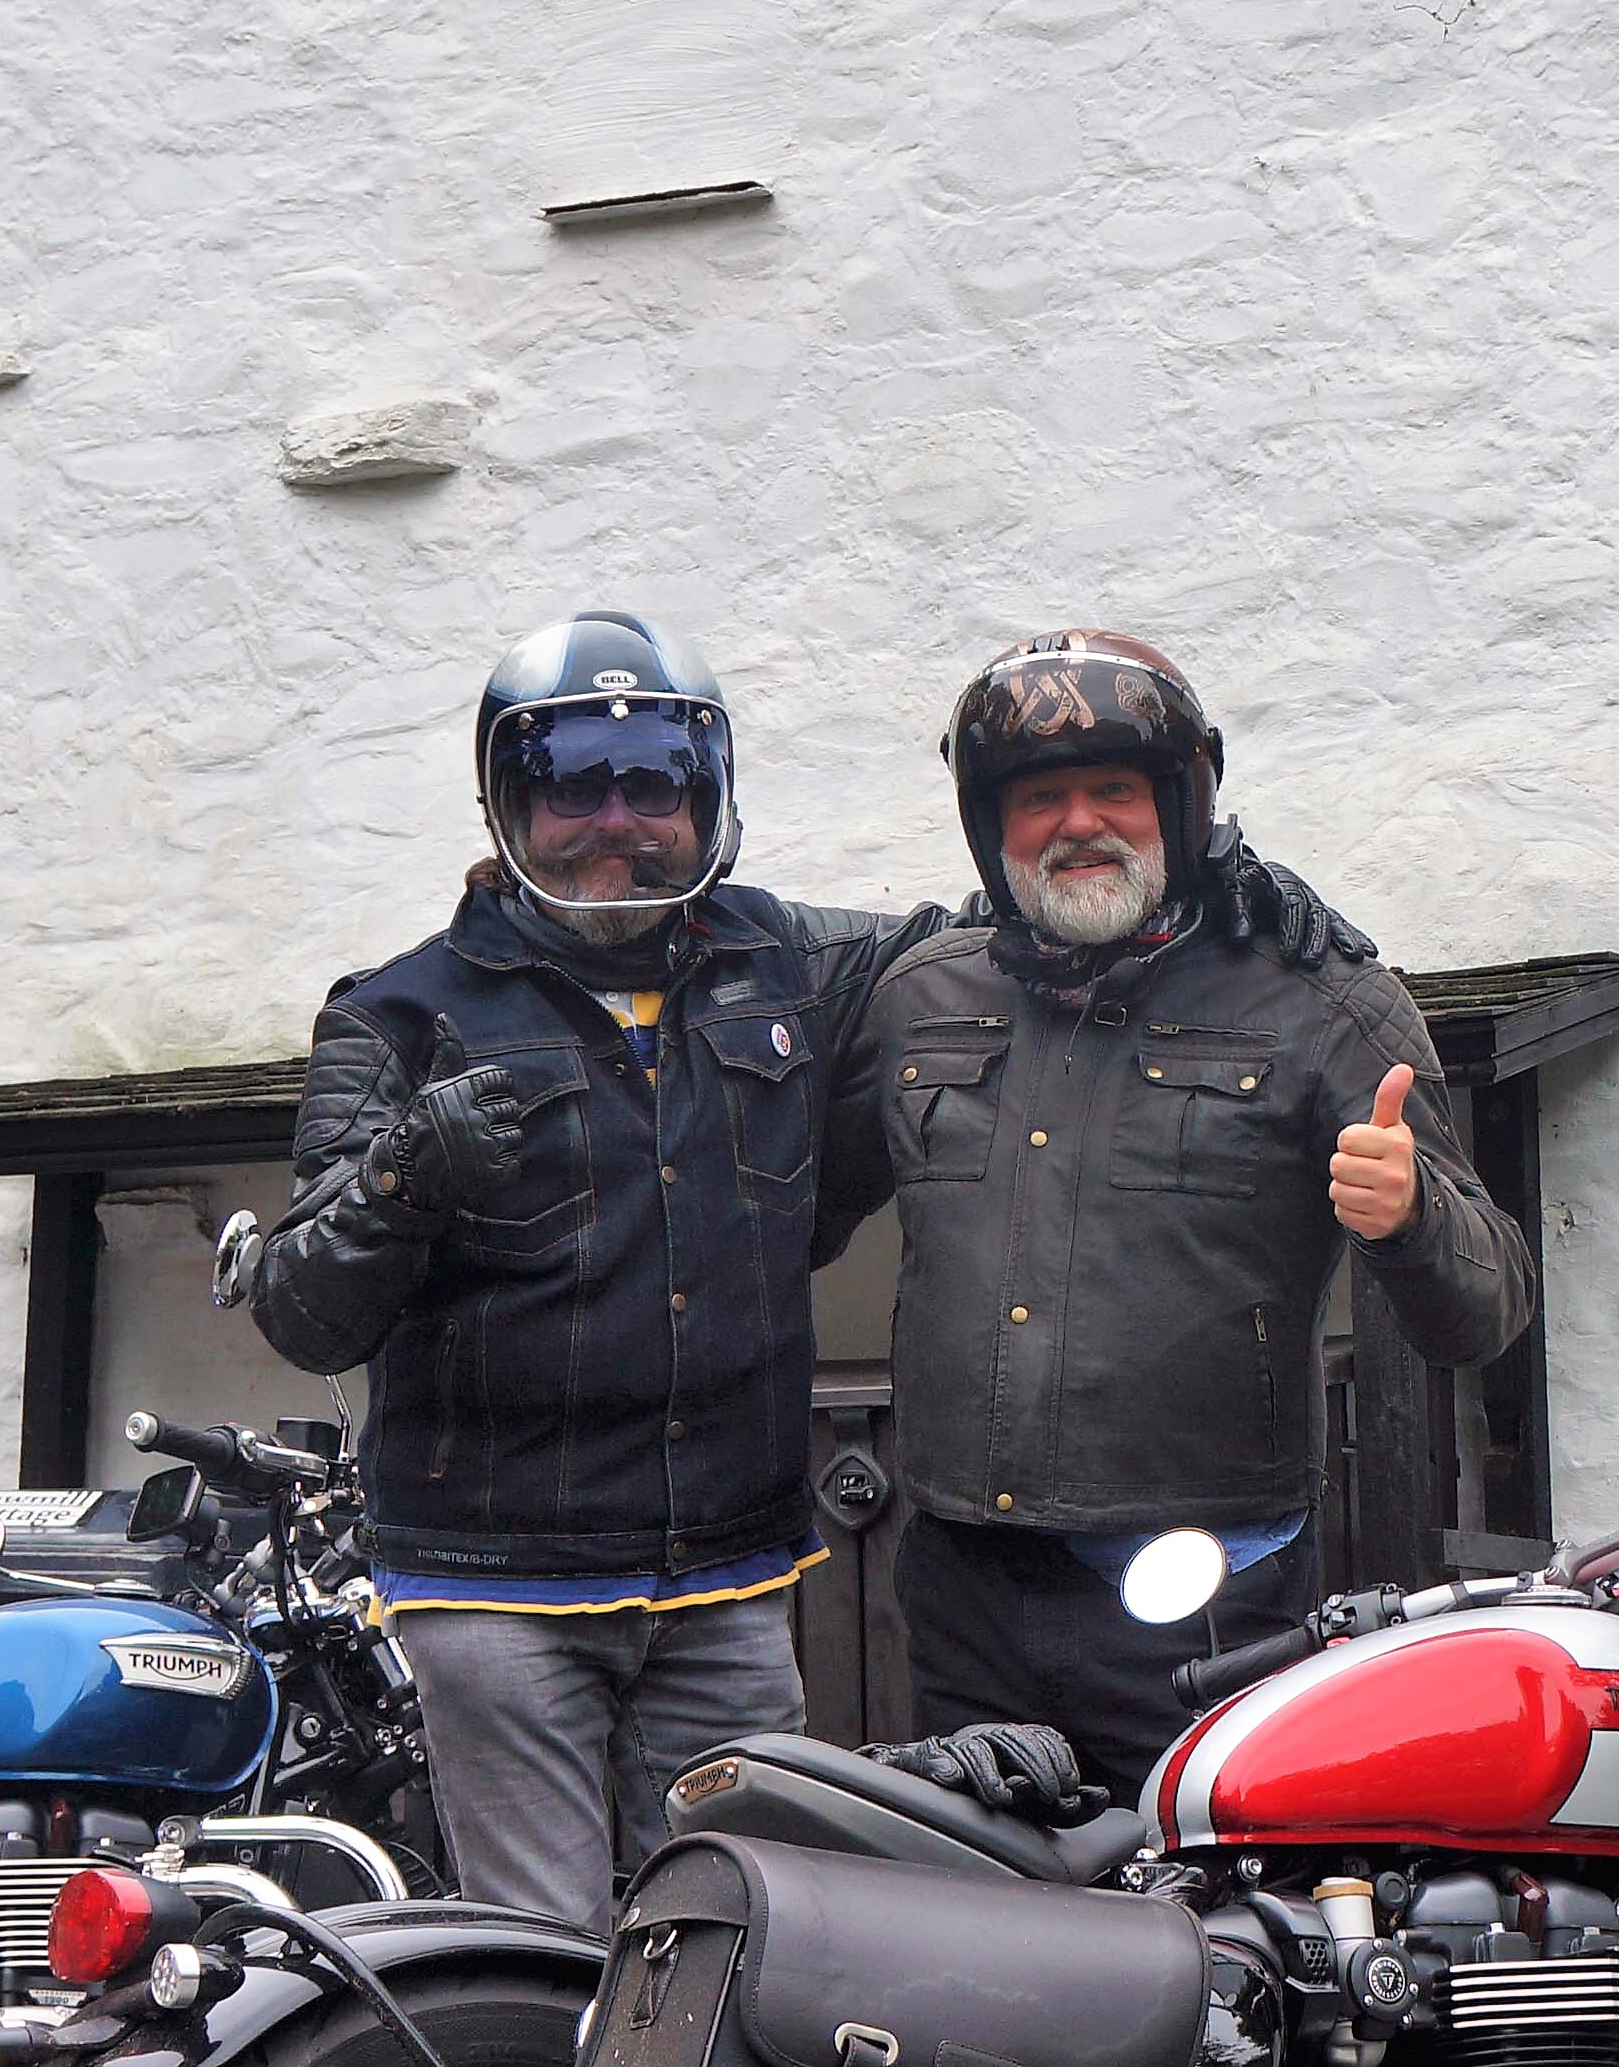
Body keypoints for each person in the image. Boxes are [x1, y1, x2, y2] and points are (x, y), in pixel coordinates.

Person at [248, 614, 1363, 1924]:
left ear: (708, 794)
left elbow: (1016, 917)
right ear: (509, 801)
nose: (618, 819)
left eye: (654, 784)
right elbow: (301, 1308)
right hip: (500, 1593)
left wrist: (1223, 885)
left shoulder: (791, 962)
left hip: (727, 1584)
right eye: (575, 787)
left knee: (739, 1943)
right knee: (545, 1951)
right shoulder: (394, 1013)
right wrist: (403, 1173)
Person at [822, 629, 1536, 1803]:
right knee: (979, 1942)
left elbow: (1487, 1310)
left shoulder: (1320, 1002)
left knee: (1206, 1946)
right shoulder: (922, 998)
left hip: (1210, 1604)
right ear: (989, 826)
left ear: (1183, 802)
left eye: (1115, 789)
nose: (1079, 822)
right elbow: (781, 1213)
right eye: (1041, 797)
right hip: (962, 1595)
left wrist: (1408, 1218)